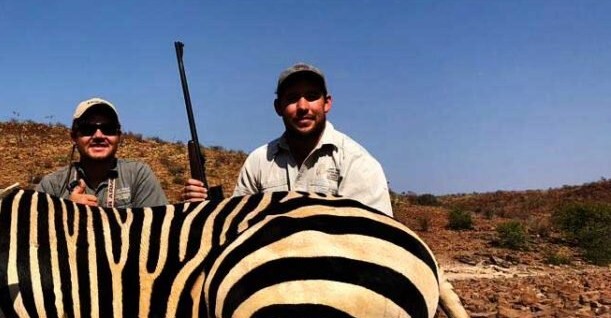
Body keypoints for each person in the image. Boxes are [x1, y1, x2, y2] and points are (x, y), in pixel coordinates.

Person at [182, 63, 393, 216]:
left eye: (311, 96)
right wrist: (204, 209)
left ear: (327, 103)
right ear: (278, 107)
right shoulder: (258, 161)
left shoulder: (357, 162)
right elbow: (238, 226)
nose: (302, 107)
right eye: (292, 98)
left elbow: (373, 242)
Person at [38, 98, 168, 208]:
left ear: (118, 136)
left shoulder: (138, 175)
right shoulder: (51, 186)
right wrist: (68, 211)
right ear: (74, 137)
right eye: (87, 129)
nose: (98, 135)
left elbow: (159, 227)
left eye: (108, 129)